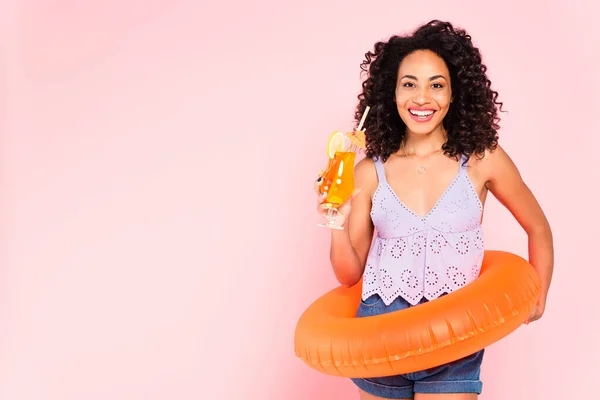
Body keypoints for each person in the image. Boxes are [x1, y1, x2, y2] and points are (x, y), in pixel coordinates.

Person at [314, 20, 554, 400]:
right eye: (409, 83)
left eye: (436, 85)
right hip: (380, 329)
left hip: (456, 329)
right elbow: (349, 275)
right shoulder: (367, 172)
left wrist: (538, 294)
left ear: (455, 93)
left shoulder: (483, 159)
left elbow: (538, 226)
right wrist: (334, 222)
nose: (421, 97)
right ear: (391, 93)